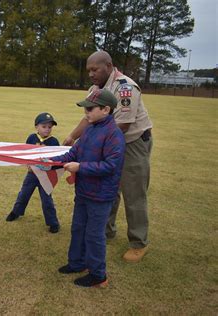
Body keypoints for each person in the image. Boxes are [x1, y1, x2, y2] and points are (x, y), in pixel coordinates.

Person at [63, 51, 153, 263]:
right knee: (107, 188)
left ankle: (139, 243)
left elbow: (122, 125)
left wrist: (90, 144)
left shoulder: (125, 88)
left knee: (133, 193)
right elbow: (89, 117)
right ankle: (106, 230)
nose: (91, 74)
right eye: (89, 71)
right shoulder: (95, 89)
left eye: (96, 69)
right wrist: (72, 137)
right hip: (107, 141)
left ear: (109, 66)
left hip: (132, 143)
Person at [54, 89, 125, 287]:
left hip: (101, 196)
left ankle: (98, 275)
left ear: (106, 109)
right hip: (84, 191)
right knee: (78, 228)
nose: (86, 112)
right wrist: (51, 162)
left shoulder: (114, 135)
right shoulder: (90, 129)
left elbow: (111, 166)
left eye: (90, 108)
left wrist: (81, 167)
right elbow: (73, 153)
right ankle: (77, 263)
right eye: (85, 108)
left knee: (94, 235)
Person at [5, 113, 61, 233]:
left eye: (50, 127)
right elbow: (26, 154)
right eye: (44, 126)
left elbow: (57, 158)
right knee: (23, 194)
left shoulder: (54, 141)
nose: (47, 129)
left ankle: (53, 222)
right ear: (37, 127)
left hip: (45, 176)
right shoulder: (31, 138)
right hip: (32, 174)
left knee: (47, 200)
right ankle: (16, 212)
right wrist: (28, 165)